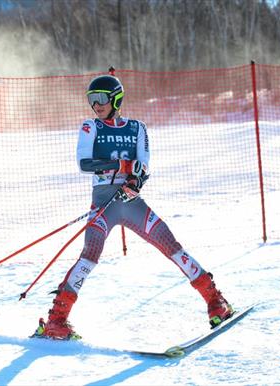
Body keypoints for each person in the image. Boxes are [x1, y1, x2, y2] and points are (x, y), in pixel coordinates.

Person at [33, 74, 233, 340]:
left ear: (116, 99)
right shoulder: (90, 127)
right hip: (104, 204)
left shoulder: (138, 128)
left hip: (131, 203)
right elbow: (84, 163)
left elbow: (143, 165)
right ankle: (56, 321)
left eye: (101, 98)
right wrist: (120, 167)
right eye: (92, 99)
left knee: (172, 246)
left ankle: (214, 301)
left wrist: (135, 181)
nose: (96, 104)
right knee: (89, 255)